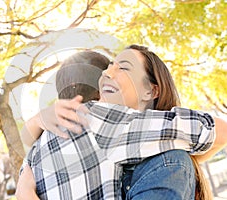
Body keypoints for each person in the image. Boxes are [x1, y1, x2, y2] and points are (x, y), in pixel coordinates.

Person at [17, 46, 226, 199]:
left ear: (151, 90)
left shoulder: (39, 145)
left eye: (123, 68)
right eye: (108, 67)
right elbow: (221, 131)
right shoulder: (103, 120)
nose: (107, 73)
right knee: (174, 159)